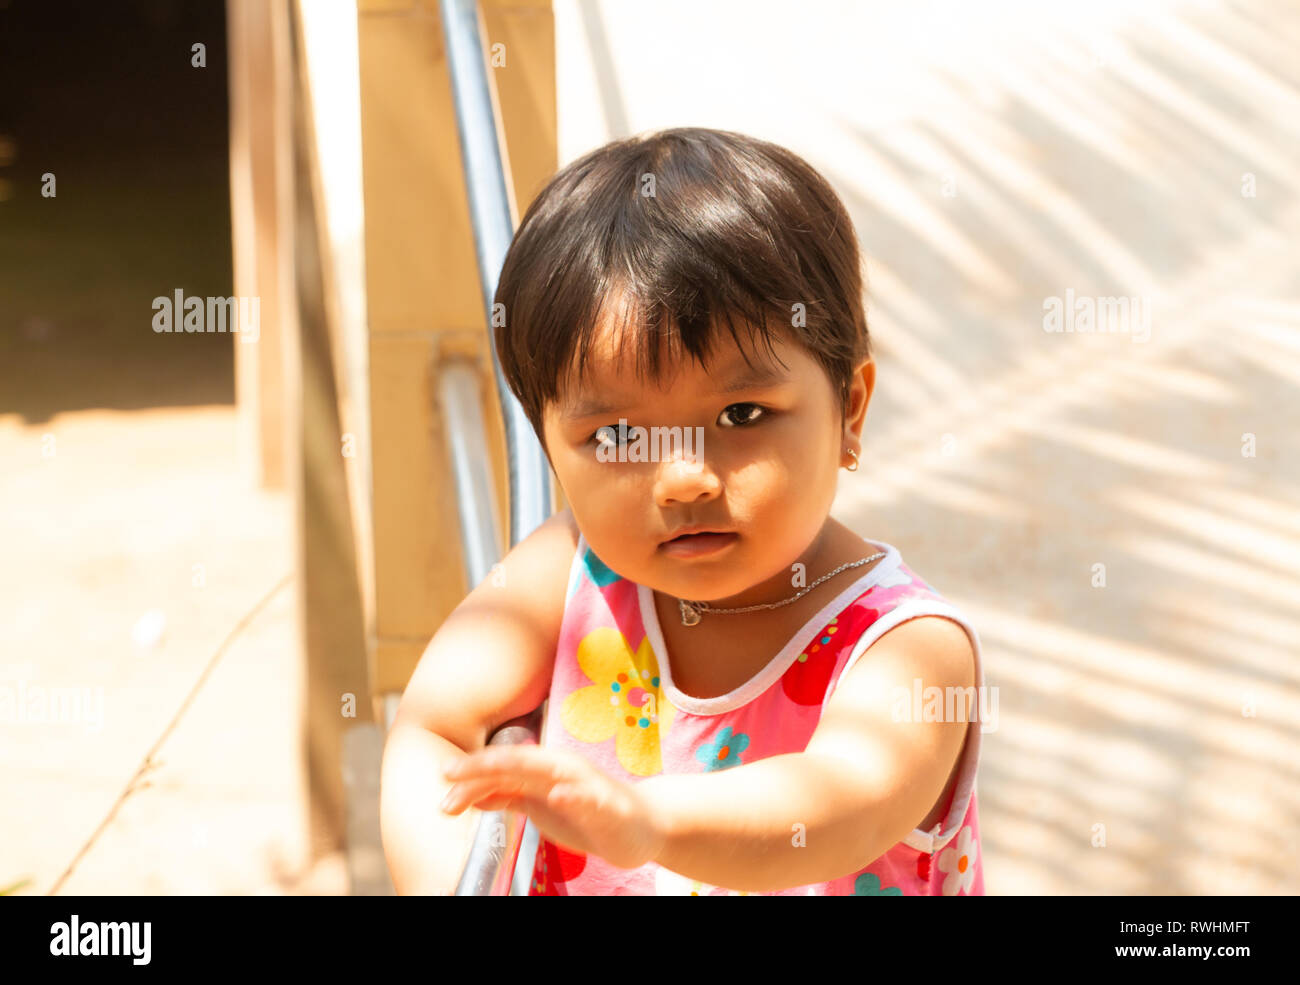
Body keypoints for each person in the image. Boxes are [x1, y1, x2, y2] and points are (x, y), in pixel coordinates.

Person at [380, 127, 987, 895]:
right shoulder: (567, 576)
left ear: (850, 410)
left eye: (741, 414)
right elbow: (432, 728)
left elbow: (846, 800)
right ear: (549, 445)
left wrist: (648, 822)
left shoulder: (907, 647)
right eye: (619, 434)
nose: (683, 478)